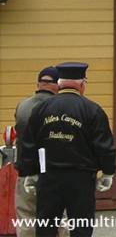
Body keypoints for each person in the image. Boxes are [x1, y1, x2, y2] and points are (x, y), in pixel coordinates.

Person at [17, 62, 116, 237]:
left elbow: (30, 143)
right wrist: (108, 172)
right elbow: (104, 145)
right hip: (81, 178)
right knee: (81, 226)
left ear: (60, 83)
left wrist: (29, 172)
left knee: (46, 226)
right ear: (82, 84)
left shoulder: (41, 109)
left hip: (49, 177)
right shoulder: (92, 110)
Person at [12, 66, 61, 237]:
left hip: (25, 172)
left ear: (38, 84)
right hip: (54, 172)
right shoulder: (60, 107)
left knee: (27, 218)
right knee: (62, 219)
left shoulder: (22, 105)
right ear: (58, 85)